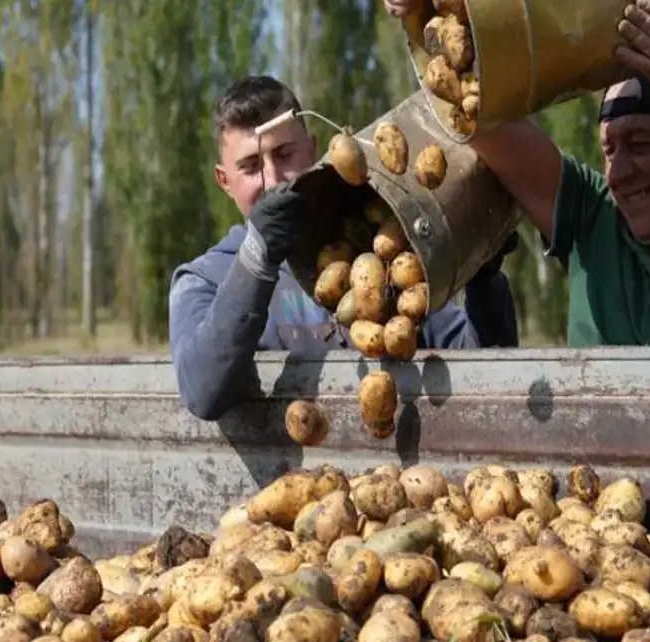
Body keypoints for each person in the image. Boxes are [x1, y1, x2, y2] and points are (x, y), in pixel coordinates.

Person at [385, 0, 650, 346]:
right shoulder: (594, 220)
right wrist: (423, 17)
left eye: (641, 144)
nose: (620, 172)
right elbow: (475, 116)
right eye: (609, 150)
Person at [168, 75, 519, 421]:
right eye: (250, 167)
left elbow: (480, 369)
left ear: (313, 148)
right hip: (288, 478)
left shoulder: (378, 253)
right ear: (224, 181)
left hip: (390, 476)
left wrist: (483, 279)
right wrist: (258, 256)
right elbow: (202, 393)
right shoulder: (203, 279)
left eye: (284, 154)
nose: (273, 179)